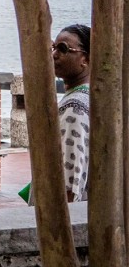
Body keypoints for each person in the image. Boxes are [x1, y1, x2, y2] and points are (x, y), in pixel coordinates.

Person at [53, 24, 91, 202]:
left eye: (63, 49)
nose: (54, 54)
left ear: (85, 59)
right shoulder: (92, 96)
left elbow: (69, 183)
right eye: (54, 47)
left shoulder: (74, 107)